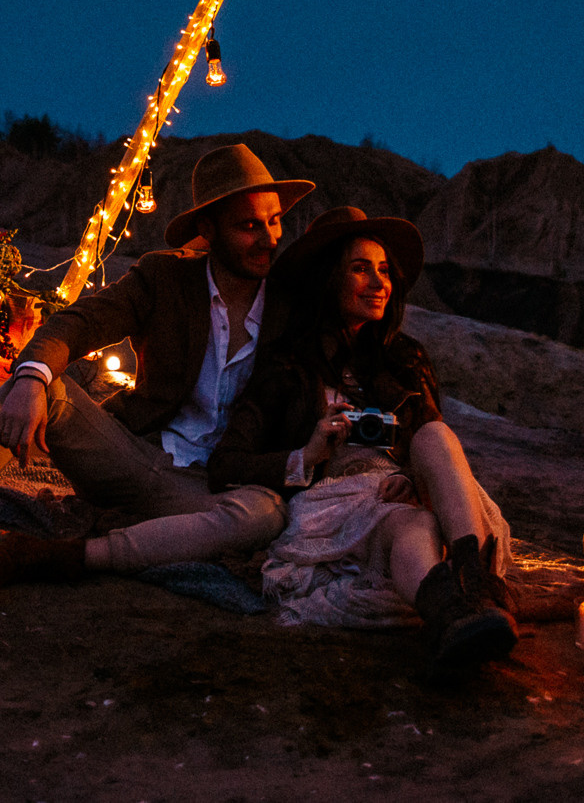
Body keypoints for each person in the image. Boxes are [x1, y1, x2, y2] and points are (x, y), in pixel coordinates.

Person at [0, 143, 312, 589]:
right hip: (134, 457)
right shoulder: (166, 279)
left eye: (274, 221)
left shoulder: (294, 306)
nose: (269, 237)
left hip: (216, 488)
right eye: (249, 225)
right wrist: (30, 378)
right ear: (208, 229)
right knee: (40, 385)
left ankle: (58, 557)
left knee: (265, 514)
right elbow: (72, 325)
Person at [208, 207, 518, 668]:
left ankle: (467, 599)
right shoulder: (287, 363)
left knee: (432, 440)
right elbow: (226, 464)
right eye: (360, 269)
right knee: (410, 526)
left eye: (384, 270)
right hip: (335, 502)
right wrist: (308, 453)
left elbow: (431, 436)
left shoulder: (406, 357)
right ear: (328, 279)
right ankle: (461, 611)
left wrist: (414, 478)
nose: (378, 283)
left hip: (408, 493)